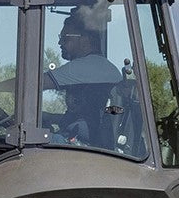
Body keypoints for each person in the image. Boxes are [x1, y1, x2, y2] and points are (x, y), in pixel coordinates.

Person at [42, 14, 121, 145]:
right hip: (84, 142)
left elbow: (33, 84)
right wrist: (49, 117)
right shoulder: (102, 68)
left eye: (65, 38)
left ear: (85, 40)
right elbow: (84, 119)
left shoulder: (87, 66)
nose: (60, 43)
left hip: (82, 146)